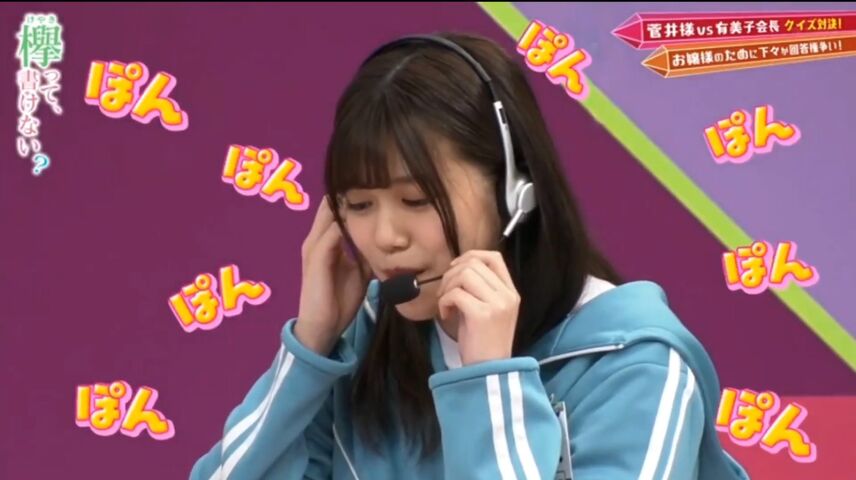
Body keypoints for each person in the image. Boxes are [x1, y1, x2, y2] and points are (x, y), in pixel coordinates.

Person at [190, 32, 749, 480]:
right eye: (358, 205)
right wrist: (309, 351)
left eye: (416, 200)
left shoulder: (636, 366)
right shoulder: (366, 343)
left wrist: (488, 384)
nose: (385, 237)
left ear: (514, 192)